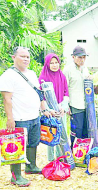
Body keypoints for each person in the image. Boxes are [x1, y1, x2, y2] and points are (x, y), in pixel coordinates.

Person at [0, 47, 50, 187]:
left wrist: (43, 109)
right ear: (13, 57)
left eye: (27, 57)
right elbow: (7, 99)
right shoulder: (8, 76)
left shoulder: (32, 73)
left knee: (33, 142)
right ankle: (16, 176)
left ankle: (31, 166)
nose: (26, 59)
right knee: (16, 148)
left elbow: (38, 93)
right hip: (19, 118)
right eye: (22, 56)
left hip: (34, 116)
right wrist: (10, 119)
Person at [39, 53, 69, 161]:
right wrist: (47, 109)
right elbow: (41, 96)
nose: (54, 65)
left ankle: (61, 157)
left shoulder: (62, 76)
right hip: (49, 111)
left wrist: (63, 107)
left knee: (62, 133)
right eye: (51, 63)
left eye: (56, 62)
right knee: (51, 135)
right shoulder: (43, 77)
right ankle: (51, 160)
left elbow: (66, 92)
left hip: (60, 110)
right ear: (47, 64)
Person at [63, 45, 90, 149]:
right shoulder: (67, 70)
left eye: (84, 57)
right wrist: (67, 106)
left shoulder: (85, 69)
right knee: (76, 130)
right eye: (79, 57)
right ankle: (74, 152)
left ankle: (83, 153)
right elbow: (64, 89)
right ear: (73, 57)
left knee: (85, 130)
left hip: (86, 104)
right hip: (75, 104)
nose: (82, 60)